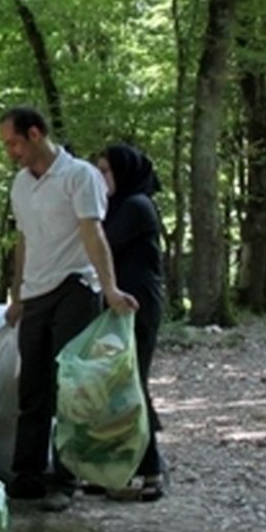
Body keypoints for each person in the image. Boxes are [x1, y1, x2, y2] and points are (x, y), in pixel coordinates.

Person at [0, 107, 138, 501]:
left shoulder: (80, 176)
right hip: (36, 292)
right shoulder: (20, 186)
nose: (11, 152)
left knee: (70, 387)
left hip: (75, 286)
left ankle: (65, 477)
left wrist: (109, 288)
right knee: (32, 385)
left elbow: (93, 233)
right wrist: (17, 296)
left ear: (36, 133)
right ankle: (27, 473)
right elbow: (24, 242)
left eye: (14, 143)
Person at [96, 143, 166, 501]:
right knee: (114, 384)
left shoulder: (136, 206)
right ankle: (116, 466)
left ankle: (153, 469)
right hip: (118, 304)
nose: (101, 177)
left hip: (139, 304)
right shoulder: (116, 205)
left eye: (106, 171)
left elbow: (101, 242)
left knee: (132, 383)